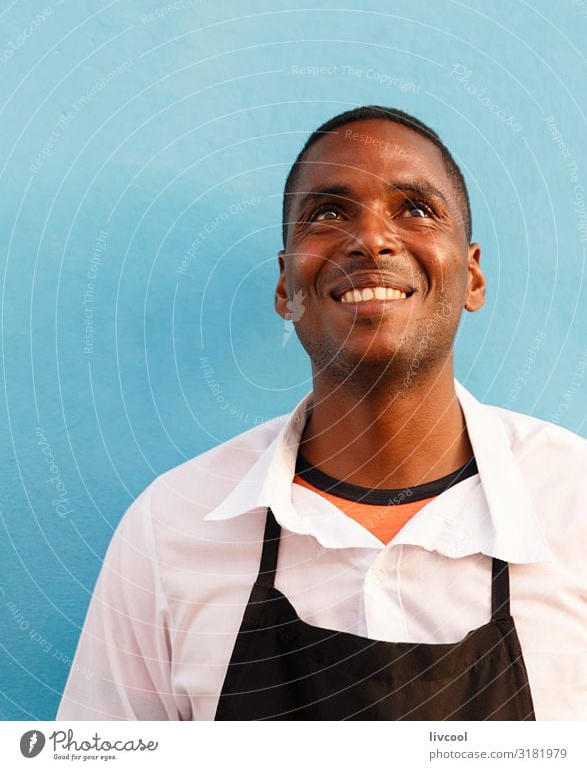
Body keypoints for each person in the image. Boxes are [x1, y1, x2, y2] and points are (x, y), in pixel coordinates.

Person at [57, 106, 587, 721]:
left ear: (471, 275)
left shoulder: (576, 502)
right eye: (329, 214)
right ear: (286, 286)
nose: (371, 240)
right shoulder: (170, 528)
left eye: (415, 208)